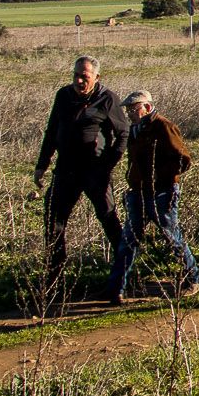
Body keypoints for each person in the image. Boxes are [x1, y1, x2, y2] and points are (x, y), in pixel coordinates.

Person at [33, 55, 128, 308]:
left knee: (109, 220)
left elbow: (122, 134)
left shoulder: (108, 99)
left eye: (84, 77)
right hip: (65, 170)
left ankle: (124, 280)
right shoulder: (63, 96)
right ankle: (53, 287)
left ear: (96, 78)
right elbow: (52, 130)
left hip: (95, 171)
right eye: (75, 75)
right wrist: (42, 165)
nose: (78, 80)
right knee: (53, 222)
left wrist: (108, 165)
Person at [109, 89, 199, 304]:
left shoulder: (163, 127)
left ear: (147, 107)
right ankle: (115, 289)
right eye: (128, 109)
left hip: (162, 193)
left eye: (134, 108)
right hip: (138, 193)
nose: (130, 113)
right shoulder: (135, 130)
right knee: (128, 241)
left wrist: (160, 178)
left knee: (172, 237)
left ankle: (192, 279)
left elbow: (183, 160)